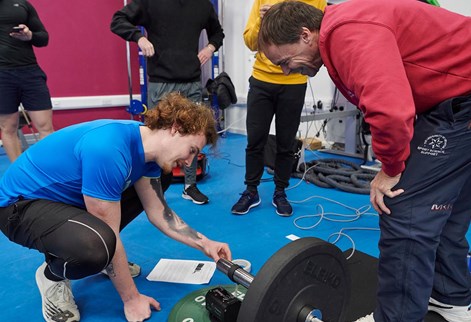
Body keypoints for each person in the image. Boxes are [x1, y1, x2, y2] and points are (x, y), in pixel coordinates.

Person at [258, 0, 471, 321]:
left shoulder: (345, 33)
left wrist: (390, 169)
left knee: (403, 211)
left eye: (285, 61)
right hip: (455, 99)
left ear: (305, 35)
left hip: (459, 105)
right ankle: (450, 298)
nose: (287, 70)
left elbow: (390, 109)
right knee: (448, 210)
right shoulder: (345, 24)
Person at [0, 93, 231, 322]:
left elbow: (160, 213)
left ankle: (105, 257)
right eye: (192, 150)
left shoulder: (148, 153)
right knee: (97, 248)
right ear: (175, 128)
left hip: (62, 202)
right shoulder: (109, 149)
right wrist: (131, 298)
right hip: (18, 207)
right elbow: (108, 228)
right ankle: (52, 275)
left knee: (162, 179)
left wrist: (205, 244)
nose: (190, 162)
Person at [110, 0, 225, 206]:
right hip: (160, 81)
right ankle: (151, 190)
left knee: (192, 137)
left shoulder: (202, 5)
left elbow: (218, 33)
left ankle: (189, 186)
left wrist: (210, 47)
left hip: (191, 82)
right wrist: (139, 38)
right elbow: (118, 20)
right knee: (155, 136)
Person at [231, 0, 326, 217]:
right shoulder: (263, 0)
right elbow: (250, 42)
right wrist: (262, 22)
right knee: (255, 139)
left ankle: (280, 191)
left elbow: (319, 39)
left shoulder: (316, 2)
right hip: (262, 80)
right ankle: (251, 190)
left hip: (294, 83)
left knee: (286, 141)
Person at [0, 0, 54, 163]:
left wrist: (29, 35)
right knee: (8, 128)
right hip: (1, 75)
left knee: (45, 127)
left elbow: (43, 38)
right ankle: (19, 174)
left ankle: (50, 171)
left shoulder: (21, 4)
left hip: (30, 72)